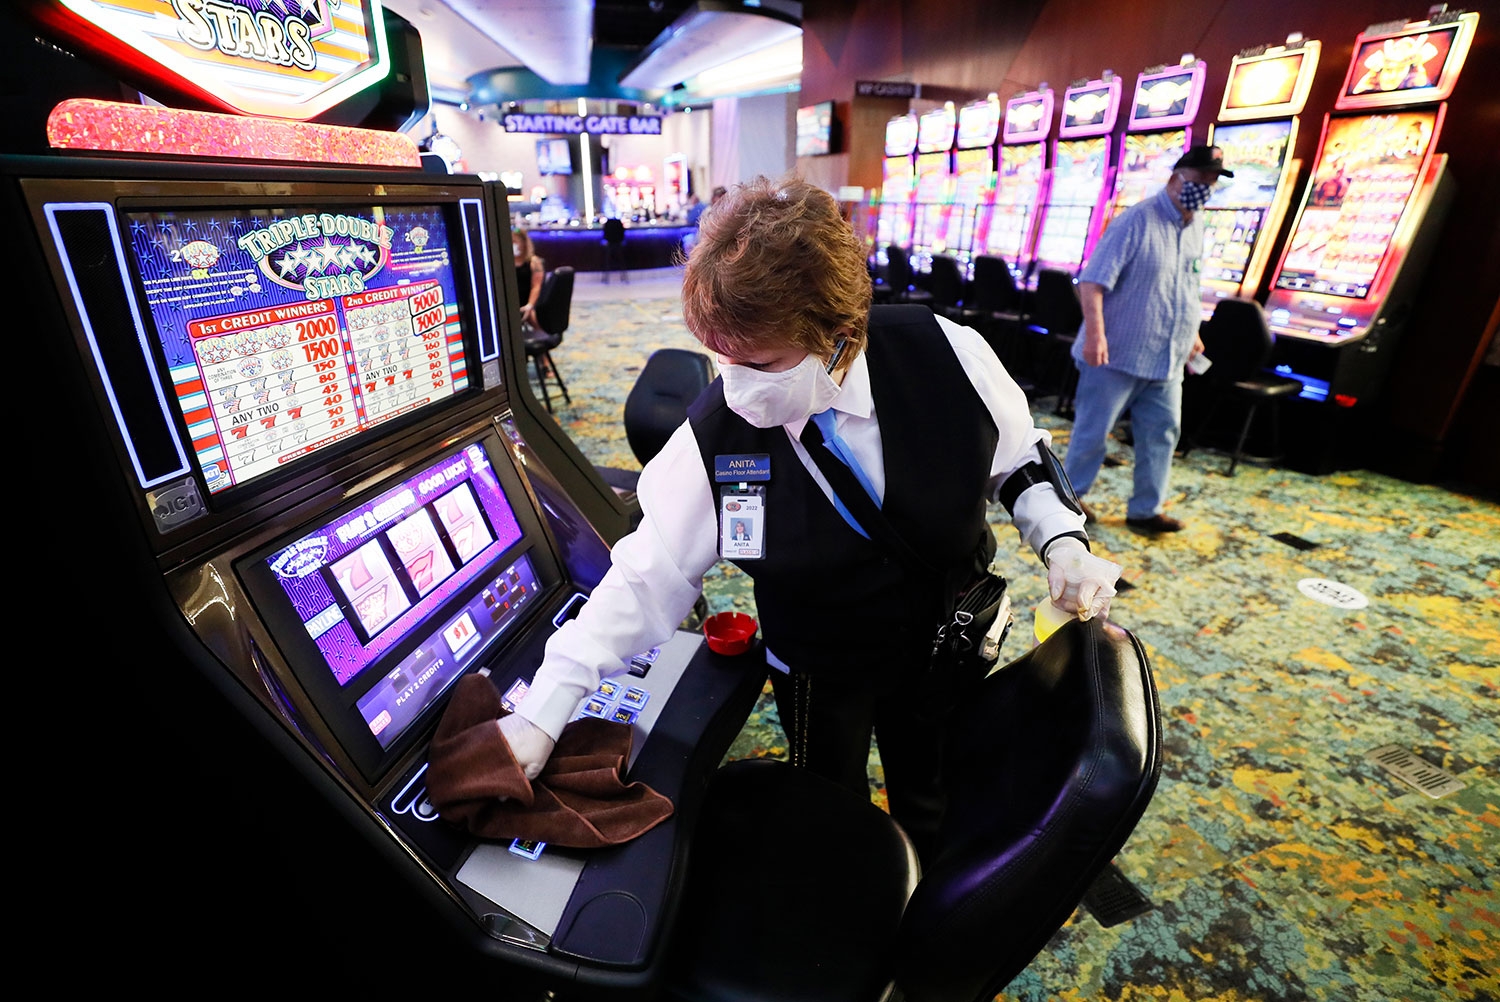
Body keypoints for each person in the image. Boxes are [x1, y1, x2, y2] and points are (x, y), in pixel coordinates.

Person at [497, 176, 1120, 858]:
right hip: (818, 661)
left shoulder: (945, 352)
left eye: (758, 362)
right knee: (830, 800)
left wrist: (1063, 542)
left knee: (934, 789)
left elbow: (1017, 460)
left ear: (840, 338)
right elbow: (647, 578)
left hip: (945, 639)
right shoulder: (715, 434)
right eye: (721, 358)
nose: (733, 386)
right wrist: (543, 711)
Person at [1063, 144, 1233, 533]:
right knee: (1092, 433)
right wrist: (1095, 336)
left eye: (1211, 184)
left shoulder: (1197, 225)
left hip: (1168, 356)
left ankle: (1145, 509)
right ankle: (1068, 500)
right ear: (1176, 179)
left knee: (1162, 432)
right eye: (1199, 182)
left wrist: (1192, 333)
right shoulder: (1135, 221)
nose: (1204, 190)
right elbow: (1091, 282)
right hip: (1115, 353)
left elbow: (1187, 285)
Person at [512, 228, 545, 327]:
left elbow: (536, 286)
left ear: (524, 244)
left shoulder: (534, 262)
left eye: (514, 242)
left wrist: (530, 305)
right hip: (511, 303)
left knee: (536, 322)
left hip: (528, 303)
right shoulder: (505, 263)